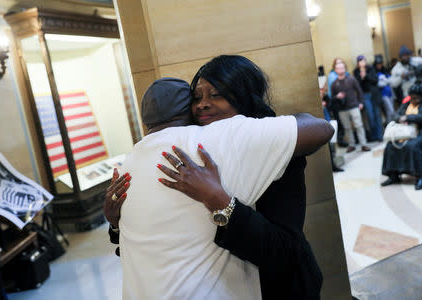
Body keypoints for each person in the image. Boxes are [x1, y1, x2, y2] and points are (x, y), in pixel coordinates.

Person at [106, 55, 333, 299]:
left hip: (281, 289)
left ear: (244, 95)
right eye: (196, 97)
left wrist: (221, 202)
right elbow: (166, 243)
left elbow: (286, 251)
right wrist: (117, 222)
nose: (202, 104)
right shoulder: (191, 154)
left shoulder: (271, 151)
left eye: (216, 94)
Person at [381, 81, 422, 190]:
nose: (413, 100)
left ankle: (420, 176)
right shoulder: (407, 104)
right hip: (406, 133)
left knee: (412, 146)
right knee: (390, 146)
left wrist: (409, 117)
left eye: (416, 98)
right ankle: (393, 175)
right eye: (411, 98)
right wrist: (399, 118)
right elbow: (395, 114)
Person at [331, 61, 371, 153]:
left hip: (354, 106)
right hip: (342, 109)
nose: (341, 69)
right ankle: (351, 145)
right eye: (339, 68)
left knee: (359, 126)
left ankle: (364, 144)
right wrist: (337, 96)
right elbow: (332, 97)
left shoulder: (351, 79)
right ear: (335, 70)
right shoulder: (334, 84)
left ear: (345, 68)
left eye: (342, 67)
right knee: (347, 128)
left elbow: (359, 91)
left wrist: (361, 102)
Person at [353, 55, 384, 141]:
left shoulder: (371, 69)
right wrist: (361, 77)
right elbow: (357, 85)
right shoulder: (356, 72)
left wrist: (366, 76)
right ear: (358, 63)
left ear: (365, 61)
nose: (362, 63)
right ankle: (374, 136)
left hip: (374, 95)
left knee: (377, 115)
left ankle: (380, 136)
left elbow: (375, 80)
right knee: (370, 116)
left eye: (363, 61)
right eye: (360, 61)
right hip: (365, 96)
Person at [328, 58, 348, 147]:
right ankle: (341, 140)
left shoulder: (346, 74)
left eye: (341, 63)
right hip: (336, 102)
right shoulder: (332, 76)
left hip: (346, 101)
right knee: (339, 122)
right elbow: (333, 90)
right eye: (337, 64)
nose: (340, 66)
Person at [373, 54, 395, 122]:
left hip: (390, 93)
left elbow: (391, 80)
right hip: (383, 94)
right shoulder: (374, 72)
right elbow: (379, 84)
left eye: (380, 63)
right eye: (378, 64)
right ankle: (391, 124)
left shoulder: (385, 70)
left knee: (389, 112)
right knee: (391, 110)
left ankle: (389, 125)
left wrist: (386, 81)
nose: (379, 65)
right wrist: (386, 81)